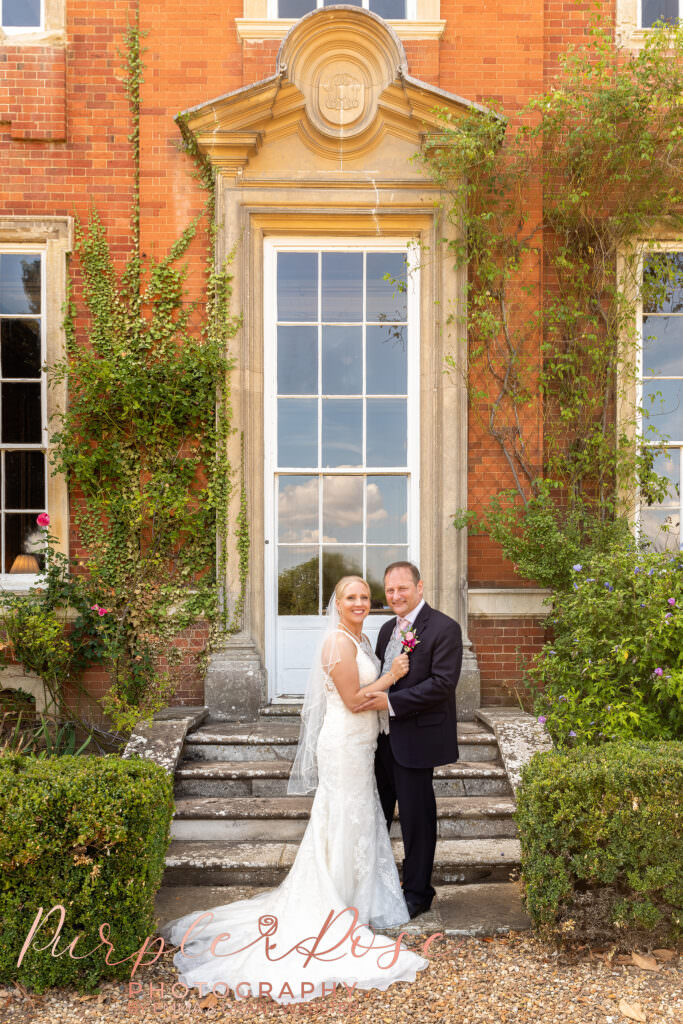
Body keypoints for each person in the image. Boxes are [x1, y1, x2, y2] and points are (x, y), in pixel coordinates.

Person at [158, 576, 429, 1004]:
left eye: (364, 597)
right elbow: (355, 700)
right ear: (336, 604)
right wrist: (393, 676)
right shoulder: (338, 645)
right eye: (351, 597)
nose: (360, 603)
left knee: (357, 816)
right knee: (340, 815)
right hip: (342, 744)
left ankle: (355, 896)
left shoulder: (360, 641)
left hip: (362, 745)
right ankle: (333, 900)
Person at [356, 562, 462, 919]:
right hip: (381, 739)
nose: (396, 596)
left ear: (420, 587)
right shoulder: (386, 629)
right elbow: (385, 676)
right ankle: (377, 887)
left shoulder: (445, 628)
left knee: (417, 819)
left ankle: (418, 892)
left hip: (416, 740)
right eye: (389, 590)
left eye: (402, 588)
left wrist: (392, 702)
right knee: (376, 814)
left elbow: (442, 684)